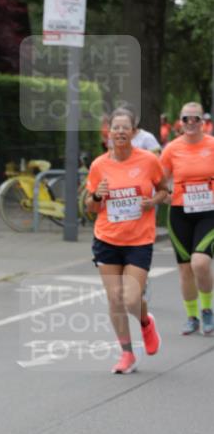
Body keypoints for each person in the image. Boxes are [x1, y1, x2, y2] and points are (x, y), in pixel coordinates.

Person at [85, 106, 170, 373]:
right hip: (107, 238)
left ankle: (145, 322)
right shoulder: (99, 165)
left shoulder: (148, 161)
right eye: (115, 127)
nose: (120, 132)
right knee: (115, 299)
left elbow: (164, 191)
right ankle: (127, 354)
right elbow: (90, 207)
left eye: (125, 128)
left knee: (132, 299)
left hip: (139, 239)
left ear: (133, 132)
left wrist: (151, 202)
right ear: (109, 132)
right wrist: (97, 196)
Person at [159, 101, 214, 335]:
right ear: (179, 122)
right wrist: (163, 195)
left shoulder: (212, 145)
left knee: (200, 263)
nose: (191, 123)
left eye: (196, 119)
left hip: (209, 212)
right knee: (185, 270)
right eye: (186, 119)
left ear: (203, 122)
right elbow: (159, 180)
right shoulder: (172, 149)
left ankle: (207, 311)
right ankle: (191, 316)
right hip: (180, 213)